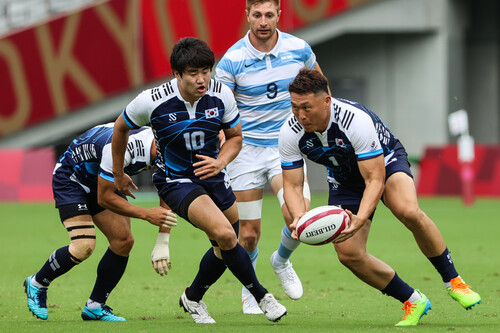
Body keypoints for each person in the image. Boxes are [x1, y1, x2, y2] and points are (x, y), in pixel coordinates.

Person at [279, 68, 481, 326]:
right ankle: (413, 300)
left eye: (306, 107)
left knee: (407, 210)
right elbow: (293, 186)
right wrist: (298, 219)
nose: (300, 115)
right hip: (344, 177)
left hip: (384, 161)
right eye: (295, 107)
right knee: (348, 254)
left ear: (326, 100)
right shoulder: (289, 131)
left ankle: (454, 282)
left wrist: (361, 218)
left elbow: (374, 179)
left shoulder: (354, 121)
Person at [112, 37, 287, 324]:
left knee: (226, 246)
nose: (202, 79)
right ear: (177, 74)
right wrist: (119, 173)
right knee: (227, 235)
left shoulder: (221, 95)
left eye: (206, 70)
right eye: (193, 73)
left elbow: (235, 138)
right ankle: (262, 295)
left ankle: (192, 298)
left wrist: (221, 161)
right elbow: (120, 128)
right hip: (176, 181)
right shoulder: (152, 100)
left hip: (214, 177)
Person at [215, 0, 326, 313]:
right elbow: (219, 109)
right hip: (245, 152)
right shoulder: (233, 59)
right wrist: (222, 142)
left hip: (285, 147)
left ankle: (280, 260)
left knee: (300, 219)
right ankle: (251, 290)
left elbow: (320, 90)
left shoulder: (300, 49)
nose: (263, 21)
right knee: (247, 235)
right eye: (257, 14)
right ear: (247, 15)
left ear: (280, 14)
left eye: (269, 14)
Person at [23, 123, 177, 321]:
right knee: (83, 246)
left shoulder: (167, 148)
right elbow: (104, 198)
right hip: (72, 179)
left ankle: (95, 306)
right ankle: (37, 283)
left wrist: (163, 240)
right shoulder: (126, 148)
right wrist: (147, 214)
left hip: (102, 178)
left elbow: (167, 189)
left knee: (123, 241)